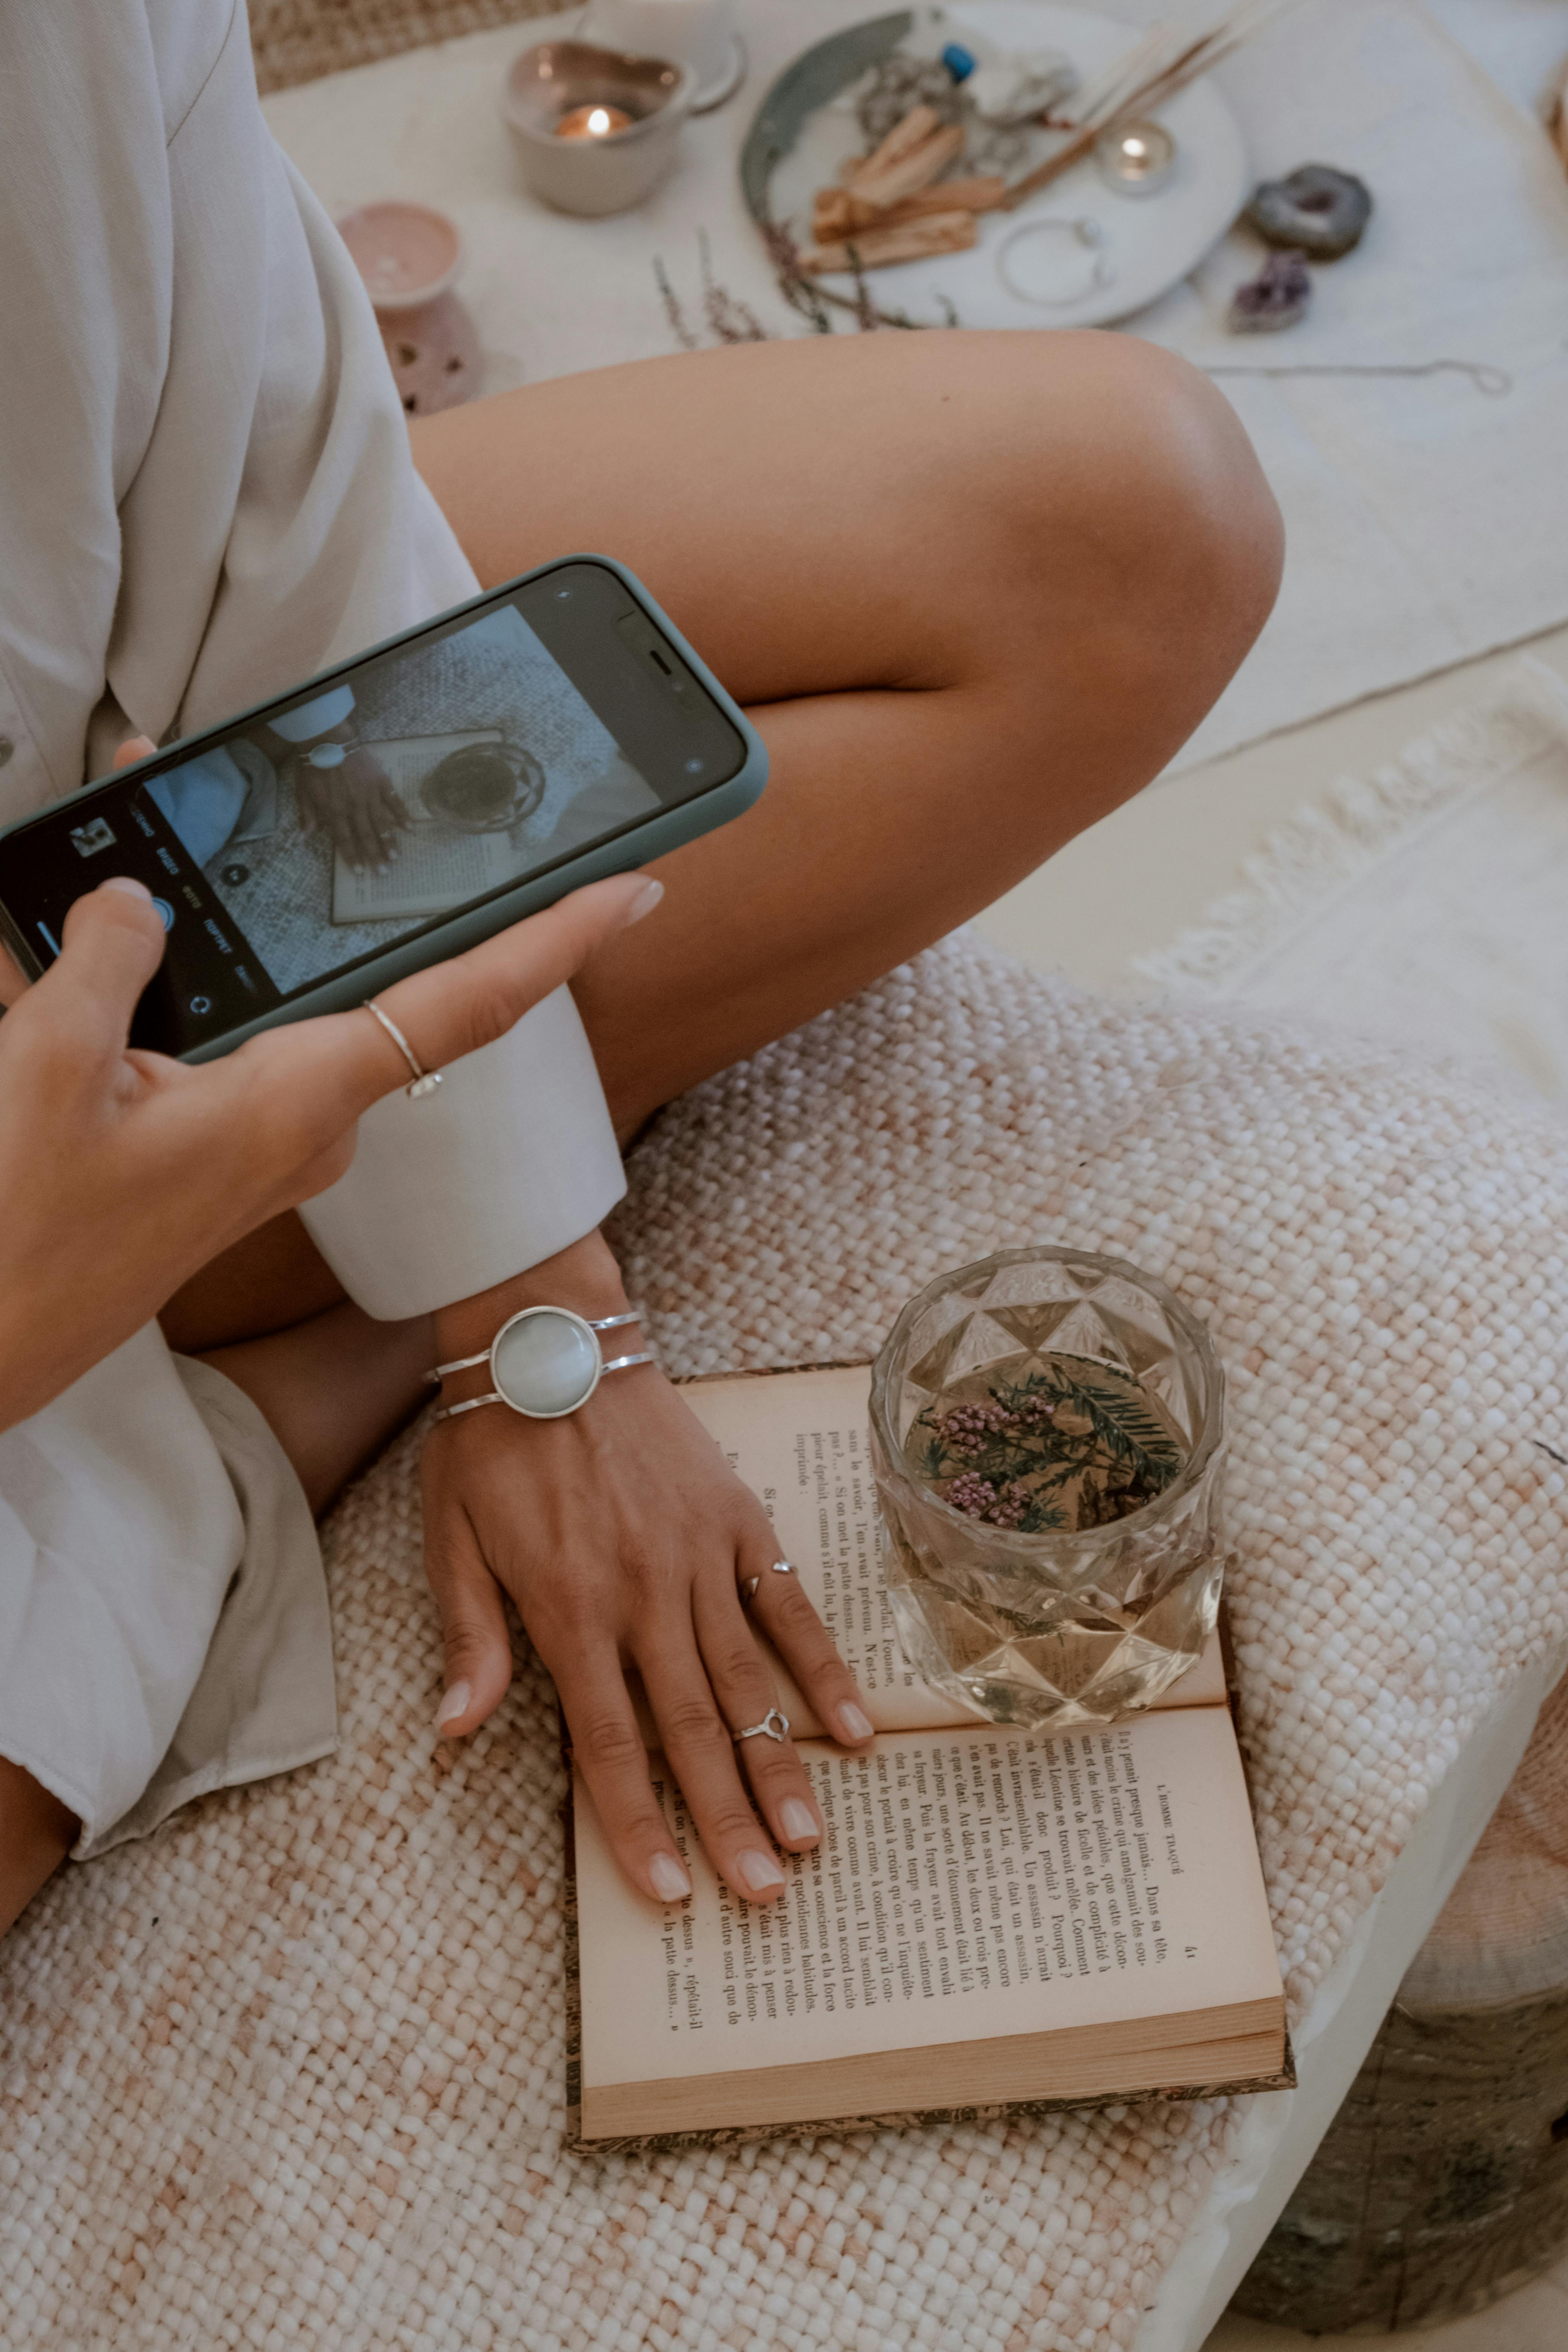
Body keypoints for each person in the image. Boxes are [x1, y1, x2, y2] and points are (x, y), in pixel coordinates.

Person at [0, 5, 1282, 1940]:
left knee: (1137, 518)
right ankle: (278, 1397)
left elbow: (277, 496)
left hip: (91, 821)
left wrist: (533, 1310)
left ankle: (293, 1311)